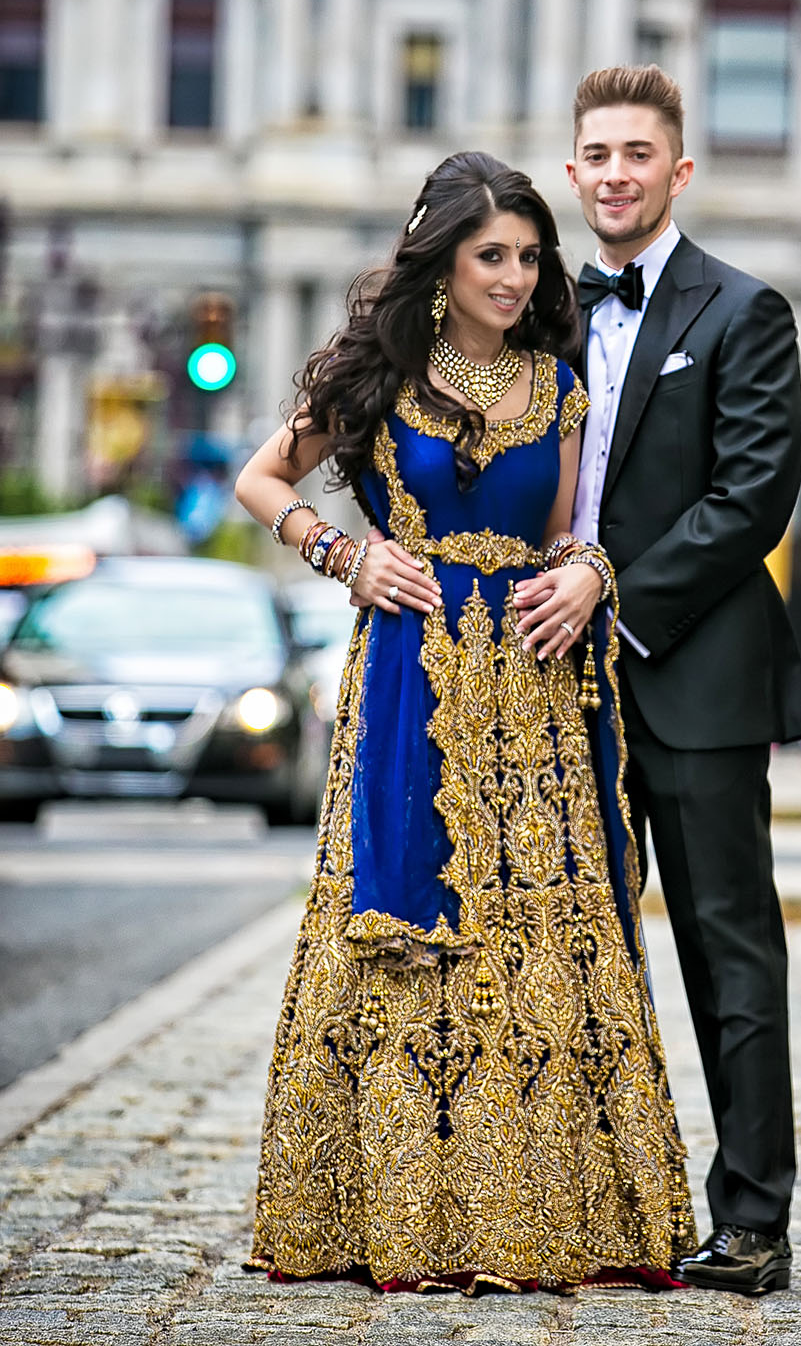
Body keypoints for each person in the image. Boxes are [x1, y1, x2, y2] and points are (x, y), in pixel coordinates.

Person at [234, 150, 695, 1296]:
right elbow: (261, 481)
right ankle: (391, 1210)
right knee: (406, 923)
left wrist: (585, 569)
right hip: (412, 670)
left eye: (529, 257)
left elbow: (561, 533)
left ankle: (548, 1212)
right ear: (441, 266)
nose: (514, 274)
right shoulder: (381, 379)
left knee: (537, 932)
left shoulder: (558, 389)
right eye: (492, 255)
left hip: (533, 688)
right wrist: (344, 551)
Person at [513, 67, 801, 1297]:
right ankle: (600, 1203)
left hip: (693, 684)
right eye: (597, 153)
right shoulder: (539, 316)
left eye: (640, 152)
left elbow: (750, 500)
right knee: (571, 954)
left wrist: (608, 589)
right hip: (549, 684)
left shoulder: (744, 312)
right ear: (572, 173)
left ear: (677, 173)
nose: (617, 172)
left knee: (724, 953)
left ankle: (750, 1222)